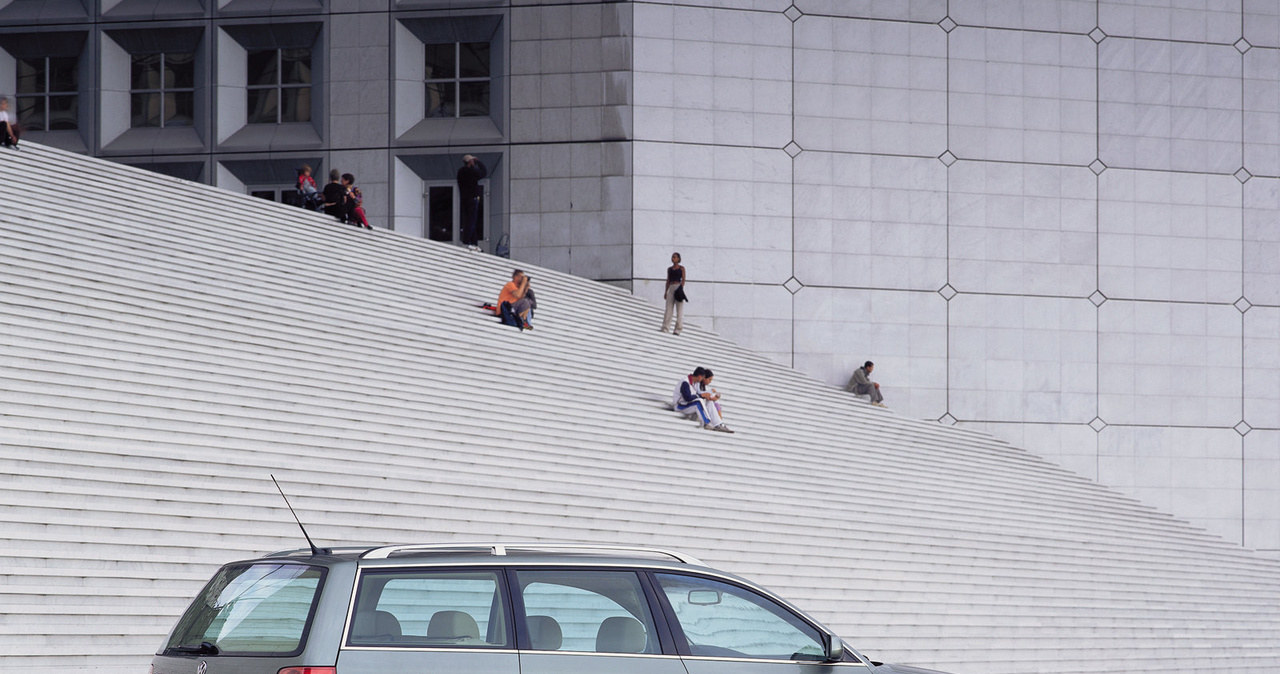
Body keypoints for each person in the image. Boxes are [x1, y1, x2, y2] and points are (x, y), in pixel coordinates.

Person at [673, 367, 733, 433]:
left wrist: (707, 396)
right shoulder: (685, 382)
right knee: (699, 401)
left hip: (687, 405)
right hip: (680, 406)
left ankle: (718, 424)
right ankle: (706, 423)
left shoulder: (694, 383)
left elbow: (697, 395)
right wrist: (701, 396)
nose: (702, 380)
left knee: (709, 402)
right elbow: (687, 398)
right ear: (699, 376)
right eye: (702, 378)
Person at [456, 154, 487, 251]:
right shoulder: (470, 171)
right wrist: (478, 162)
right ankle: (467, 241)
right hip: (472, 198)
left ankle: (473, 242)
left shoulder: (460, 172)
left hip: (464, 199)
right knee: (472, 220)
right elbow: (484, 173)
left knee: (469, 220)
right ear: (470, 162)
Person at [661, 252, 686, 334]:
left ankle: (678, 329)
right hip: (671, 287)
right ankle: (665, 327)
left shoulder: (681, 268)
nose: (673, 259)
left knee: (679, 310)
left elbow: (683, 279)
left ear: (678, 259)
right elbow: (668, 280)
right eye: (672, 257)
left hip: (678, 287)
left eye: (675, 257)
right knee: (668, 309)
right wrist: (666, 292)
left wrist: (681, 288)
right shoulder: (670, 269)